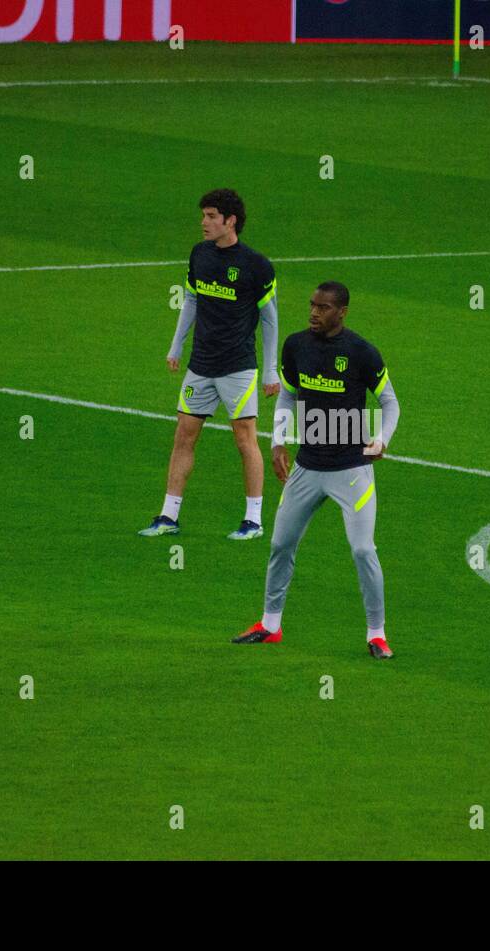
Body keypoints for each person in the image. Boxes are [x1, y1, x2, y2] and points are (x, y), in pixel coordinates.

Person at [232, 281, 400, 658]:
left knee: (362, 550)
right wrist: (278, 440)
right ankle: (270, 625)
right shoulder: (296, 346)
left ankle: (377, 634)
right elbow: (289, 394)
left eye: (323, 308)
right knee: (279, 544)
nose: (313, 312)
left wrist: (382, 440)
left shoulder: (361, 352)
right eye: (311, 305)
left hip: (352, 471)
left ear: (342, 312)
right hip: (307, 468)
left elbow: (390, 403)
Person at [139, 189, 280, 540]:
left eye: (211, 216)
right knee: (184, 435)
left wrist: (271, 369)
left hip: (238, 367)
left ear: (230, 221)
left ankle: (254, 520)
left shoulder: (256, 265)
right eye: (203, 215)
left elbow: (270, 320)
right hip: (200, 364)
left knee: (244, 439)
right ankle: (168, 516)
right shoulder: (199, 255)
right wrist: (176, 347)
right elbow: (190, 300)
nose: (204, 223)